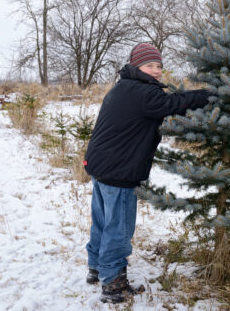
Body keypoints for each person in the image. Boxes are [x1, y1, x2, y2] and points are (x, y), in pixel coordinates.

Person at [83, 42, 211, 303]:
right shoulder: (141, 92)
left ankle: (97, 267)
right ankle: (113, 284)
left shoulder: (125, 87)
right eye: (149, 65)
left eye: (159, 66)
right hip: (119, 170)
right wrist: (211, 95)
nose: (155, 71)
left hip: (101, 165)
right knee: (118, 227)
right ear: (136, 66)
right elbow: (173, 103)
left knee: (103, 220)